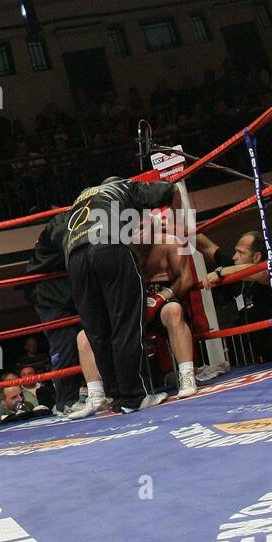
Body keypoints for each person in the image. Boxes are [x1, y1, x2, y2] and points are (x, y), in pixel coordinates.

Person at [65, 175, 177, 412]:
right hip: (108, 245)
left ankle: (117, 398)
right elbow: (164, 191)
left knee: (98, 331)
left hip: (75, 258)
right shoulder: (122, 187)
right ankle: (135, 396)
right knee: (126, 322)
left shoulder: (81, 198)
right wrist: (169, 181)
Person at [24, 212, 105, 419]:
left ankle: (91, 391)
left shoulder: (80, 222)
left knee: (88, 339)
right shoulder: (60, 223)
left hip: (69, 293)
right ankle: (65, 401)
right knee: (64, 344)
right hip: (49, 295)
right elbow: (67, 240)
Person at [201, 232, 272, 362]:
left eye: (240, 252)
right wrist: (175, 224)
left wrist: (220, 272)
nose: (234, 257)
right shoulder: (233, 266)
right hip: (260, 360)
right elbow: (206, 246)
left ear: (256, 257)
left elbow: (262, 272)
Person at [139, 222, 198, 397]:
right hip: (137, 302)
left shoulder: (171, 242)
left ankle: (187, 377)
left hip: (165, 298)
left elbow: (187, 279)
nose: (139, 233)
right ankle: (120, 390)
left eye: (142, 227)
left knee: (173, 310)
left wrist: (163, 295)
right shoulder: (123, 250)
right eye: (133, 228)